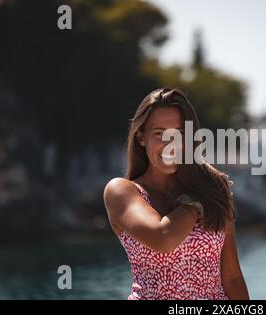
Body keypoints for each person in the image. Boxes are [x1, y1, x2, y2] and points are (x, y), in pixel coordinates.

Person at [103, 88, 249, 300]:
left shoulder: (214, 189)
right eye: (160, 134)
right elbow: (164, 238)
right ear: (142, 137)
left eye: (179, 134)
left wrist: (209, 188)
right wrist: (195, 202)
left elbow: (232, 278)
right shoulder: (121, 191)